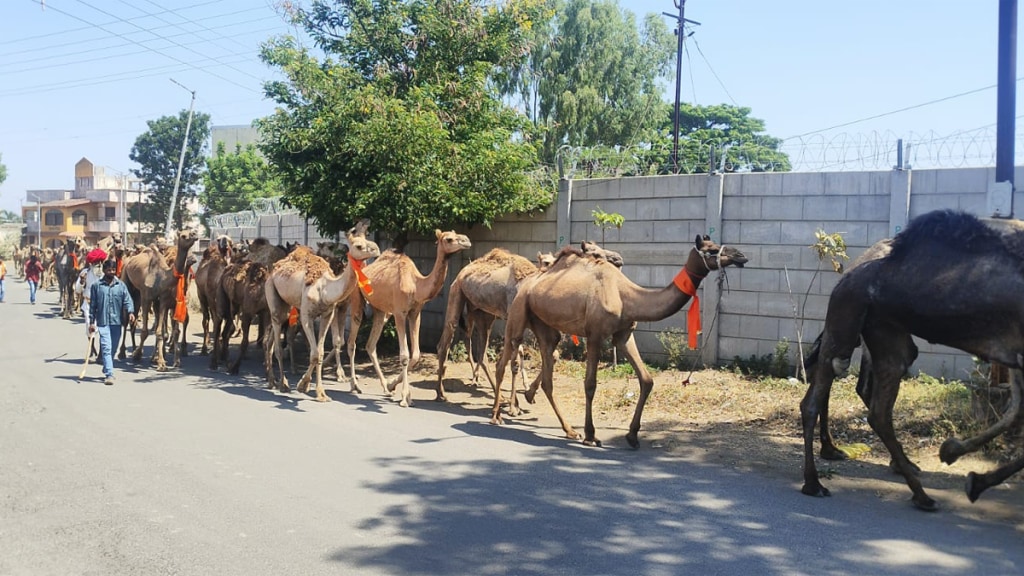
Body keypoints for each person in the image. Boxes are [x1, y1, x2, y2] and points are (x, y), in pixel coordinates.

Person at [89, 258, 135, 385]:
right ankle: (109, 374)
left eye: (113, 269)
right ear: (104, 271)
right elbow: (93, 305)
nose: (111, 272)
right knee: (106, 347)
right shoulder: (96, 286)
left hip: (116, 322)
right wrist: (92, 322)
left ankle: (106, 366)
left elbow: (128, 300)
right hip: (103, 322)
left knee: (113, 348)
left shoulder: (121, 286)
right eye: (109, 269)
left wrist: (130, 312)